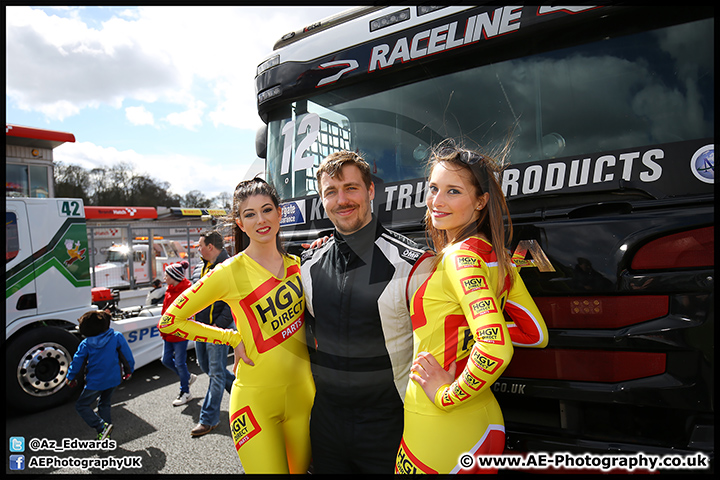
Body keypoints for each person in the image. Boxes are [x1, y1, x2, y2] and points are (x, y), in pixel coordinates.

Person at [396, 140, 549, 474]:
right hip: (484, 420)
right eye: (434, 188)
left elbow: (495, 347)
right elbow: (534, 333)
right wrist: (469, 338)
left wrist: (446, 394)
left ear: (481, 202)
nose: (436, 201)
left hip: (439, 421)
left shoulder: (460, 258)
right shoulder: (498, 257)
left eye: (453, 192)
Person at [159, 178, 314, 474]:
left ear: (280, 213)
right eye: (250, 214)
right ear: (240, 223)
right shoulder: (228, 272)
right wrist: (229, 337)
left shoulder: (300, 265)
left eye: (267, 209)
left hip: (304, 397)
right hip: (255, 402)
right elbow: (170, 321)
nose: (261, 220)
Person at [301, 151, 433, 474]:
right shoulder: (307, 267)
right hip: (326, 426)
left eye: (351, 188)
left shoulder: (415, 264)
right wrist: (239, 338)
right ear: (322, 200)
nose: (341, 200)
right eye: (331, 192)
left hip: (390, 427)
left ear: (370, 191)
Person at [183, 230, 236, 437]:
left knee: (215, 373)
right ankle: (244, 393)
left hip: (217, 330)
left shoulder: (229, 266)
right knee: (208, 368)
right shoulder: (198, 268)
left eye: (200, 245)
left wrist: (219, 326)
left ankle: (208, 419)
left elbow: (232, 299)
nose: (197, 249)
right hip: (200, 329)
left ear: (211, 247)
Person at [66, 310, 135, 440]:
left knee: (81, 405)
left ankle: (101, 427)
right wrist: (129, 370)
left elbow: (77, 363)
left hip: (95, 382)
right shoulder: (116, 337)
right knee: (104, 404)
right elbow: (127, 356)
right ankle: (105, 437)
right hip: (114, 379)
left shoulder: (85, 344)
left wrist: (71, 377)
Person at [158, 260, 197, 407]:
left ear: (174, 276)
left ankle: (185, 392)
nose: (164, 278)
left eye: (167, 275)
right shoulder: (170, 289)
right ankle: (187, 377)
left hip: (179, 332)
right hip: (168, 331)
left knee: (180, 362)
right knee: (166, 360)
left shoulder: (185, 292)